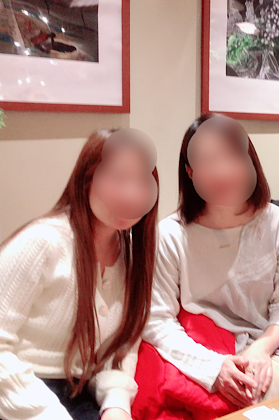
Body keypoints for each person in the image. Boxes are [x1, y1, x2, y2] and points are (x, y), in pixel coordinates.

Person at [142, 114, 279, 410]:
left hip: (270, 349)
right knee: (250, 394)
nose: (223, 171)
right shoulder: (170, 235)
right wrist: (215, 368)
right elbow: (157, 321)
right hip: (201, 352)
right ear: (190, 172)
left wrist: (260, 350)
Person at [0, 129, 160, 420]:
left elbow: (123, 347)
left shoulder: (133, 255)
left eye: (140, 181)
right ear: (87, 180)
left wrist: (116, 402)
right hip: (19, 391)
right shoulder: (43, 242)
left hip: (80, 393)